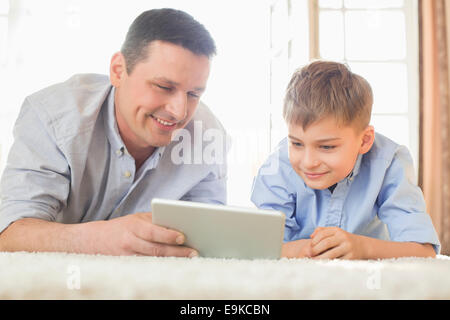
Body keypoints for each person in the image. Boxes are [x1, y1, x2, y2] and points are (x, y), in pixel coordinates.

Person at [0, 8, 227, 257]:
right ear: (118, 71)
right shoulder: (53, 116)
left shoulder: (207, 136)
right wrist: (97, 238)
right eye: (164, 86)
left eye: (194, 94)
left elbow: (210, 242)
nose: (179, 111)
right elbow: (10, 234)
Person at [251, 61, 440, 260]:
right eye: (297, 144)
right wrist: (303, 250)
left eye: (326, 147)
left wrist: (363, 248)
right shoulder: (279, 166)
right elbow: (260, 249)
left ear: (365, 140)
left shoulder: (388, 164)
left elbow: (423, 252)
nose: (308, 162)